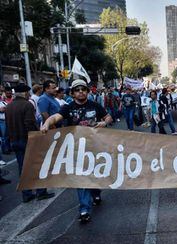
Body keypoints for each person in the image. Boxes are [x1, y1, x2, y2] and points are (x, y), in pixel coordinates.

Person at [40, 79, 112, 223]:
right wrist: (47, 123)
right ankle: (84, 209)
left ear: (87, 91)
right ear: (72, 93)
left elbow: (108, 117)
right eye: (77, 90)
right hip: (77, 149)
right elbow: (56, 117)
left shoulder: (95, 105)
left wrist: (104, 122)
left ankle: (96, 193)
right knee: (81, 177)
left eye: (83, 89)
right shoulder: (68, 108)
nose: (81, 92)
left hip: (95, 147)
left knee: (95, 174)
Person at [5, 84, 55, 202]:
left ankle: (26, 194)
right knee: (38, 166)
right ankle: (41, 192)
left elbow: (7, 125)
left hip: (15, 141)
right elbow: (29, 124)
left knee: (23, 168)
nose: (29, 94)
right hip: (27, 140)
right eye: (27, 92)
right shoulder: (27, 105)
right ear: (24, 93)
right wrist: (36, 139)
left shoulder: (9, 106)